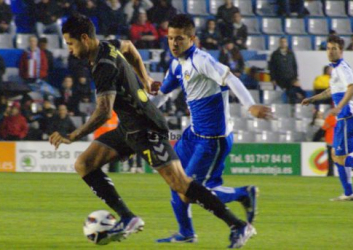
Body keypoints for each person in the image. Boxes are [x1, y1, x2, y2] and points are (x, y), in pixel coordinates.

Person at [50, 14, 255, 248]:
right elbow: (129, 46)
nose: (69, 49)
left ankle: (238, 225)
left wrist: (72, 135)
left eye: (70, 43)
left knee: (182, 186)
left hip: (146, 127)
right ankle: (128, 217)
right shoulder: (107, 47)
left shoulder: (103, 66)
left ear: (84, 38)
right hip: (128, 127)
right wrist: (145, 77)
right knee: (84, 164)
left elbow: (104, 112)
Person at [149, 14, 270, 244]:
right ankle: (186, 233)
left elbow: (230, 78)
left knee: (189, 191)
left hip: (212, 140)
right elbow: (162, 96)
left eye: (180, 39)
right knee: (177, 182)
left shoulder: (201, 60)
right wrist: (140, 113)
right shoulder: (176, 64)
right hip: (193, 135)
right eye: (171, 38)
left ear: (192, 39)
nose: (174, 43)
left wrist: (250, 105)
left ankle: (243, 194)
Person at [302, 35, 353, 201]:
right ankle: (348, 193)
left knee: (339, 157)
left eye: (334, 48)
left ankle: (349, 192)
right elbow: (330, 91)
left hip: (347, 116)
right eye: (328, 48)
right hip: (346, 117)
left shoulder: (342, 68)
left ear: (341, 51)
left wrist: (339, 107)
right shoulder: (335, 70)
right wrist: (313, 99)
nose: (330, 51)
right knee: (336, 154)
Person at [269, 36, 306, 104]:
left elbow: (294, 66)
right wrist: (273, 79)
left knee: (299, 94)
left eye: (284, 42)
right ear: (279, 43)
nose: (283, 43)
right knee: (283, 96)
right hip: (279, 80)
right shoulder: (275, 54)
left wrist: (295, 78)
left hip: (291, 79)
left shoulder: (291, 54)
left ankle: (295, 108)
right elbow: (272, 68)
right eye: (282, 42)